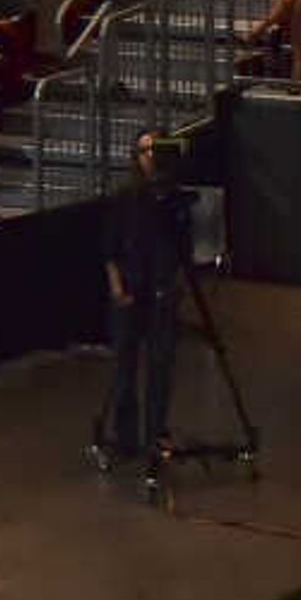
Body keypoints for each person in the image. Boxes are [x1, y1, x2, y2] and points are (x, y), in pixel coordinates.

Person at [97, 130, 195, 466]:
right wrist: (117, 291)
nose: (151, 157)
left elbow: (184, 251)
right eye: (145, 151)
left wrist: (176, 289)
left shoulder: (175, 201)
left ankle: (155, 433)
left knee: (160, 366)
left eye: (156, 150)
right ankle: (125, 439)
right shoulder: (124, 198)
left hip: (161, 292)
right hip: (129, 290)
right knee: (125, 369)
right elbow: (110, 249)